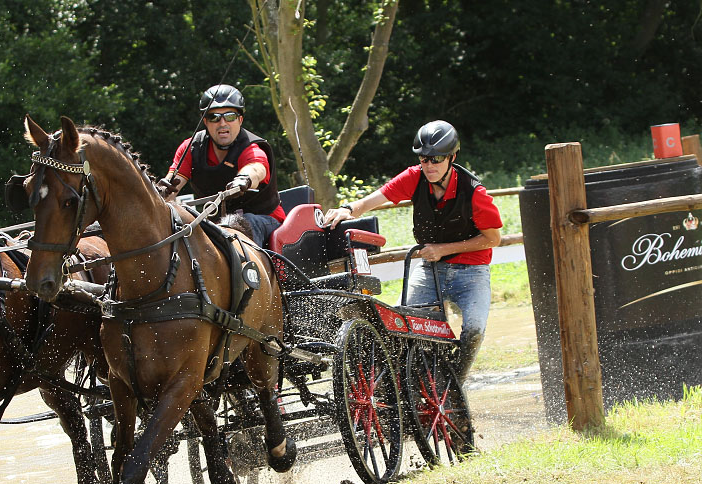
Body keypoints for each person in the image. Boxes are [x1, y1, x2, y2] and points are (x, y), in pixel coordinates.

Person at [322, 120, 502, 382]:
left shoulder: (474, 193)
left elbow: (492, 238)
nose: (429, 165)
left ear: (452, 157)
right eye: (424, 159)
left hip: (471, 272)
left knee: (473, 329)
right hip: (430, 270)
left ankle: (455, 385)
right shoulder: (414, 177)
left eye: (436, 159)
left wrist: (444, 249)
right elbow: (374, 199)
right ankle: (406, 382)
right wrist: (347, 209)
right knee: (400, 325)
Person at [158, 84, 285, 247]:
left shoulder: (251, 148)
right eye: (214, 117)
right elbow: (171, 185)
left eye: (230, 116)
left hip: (264, 220)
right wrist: (159, 193)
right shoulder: (191, 148)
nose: (222, 123)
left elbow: (256, 168)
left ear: (240, 120)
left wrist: (243, 180)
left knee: (239, 223)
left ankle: (251, 272)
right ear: (205, 121)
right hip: (217, 225)